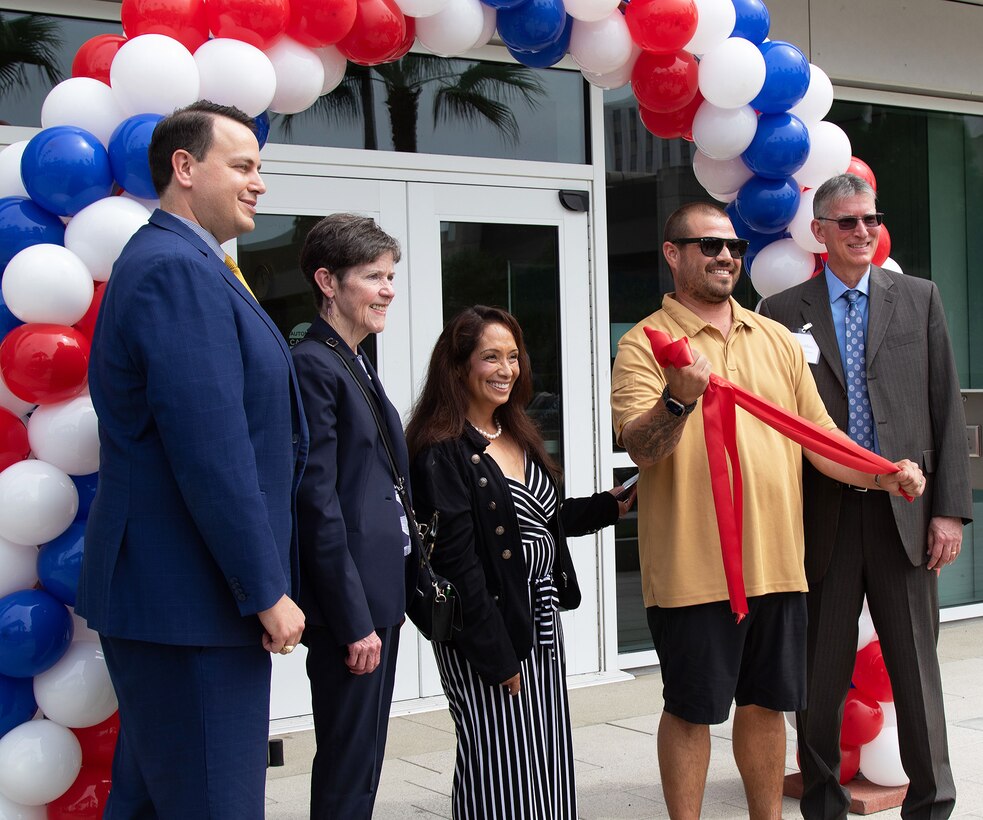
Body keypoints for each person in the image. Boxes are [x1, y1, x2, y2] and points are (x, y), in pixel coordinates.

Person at [609, 202, 924, 819]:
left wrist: (886, 475)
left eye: (733, 247)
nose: (725, 256)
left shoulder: (776, 339)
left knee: (767, 706)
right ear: (673, 254)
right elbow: (640, 448)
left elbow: (821, 439)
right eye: (708, 246)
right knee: (692, 709)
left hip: (778, 567)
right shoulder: (644, 343)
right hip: (692, 573)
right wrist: (678, 401)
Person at [77, 101, 308, 817]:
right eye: (241, 166)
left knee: (151, 804)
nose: (258, 183)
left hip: (181, 604)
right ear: (184, 168)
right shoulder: (174, 270)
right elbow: (210, 448)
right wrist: (263, 589)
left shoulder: (186, 264)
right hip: (191, 605)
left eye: (258, 168)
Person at [759, 173, 972, 819]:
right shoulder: (780, 313)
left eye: (869, 220)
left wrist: (947, 511)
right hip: (821, 519)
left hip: (904, 517)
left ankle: (931, 805)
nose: (861, 231)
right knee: (817, 685)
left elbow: (944, 407)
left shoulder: (918, 298)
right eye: (846, 222)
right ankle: (821, 805)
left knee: (916, 681)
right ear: (818, 233)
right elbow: (773, 429)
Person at [405, 305, 636, 819]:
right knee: (499, 766)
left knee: (545, 763)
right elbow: (458, 567)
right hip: (487, 631)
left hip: (540, 623)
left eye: (513, 356)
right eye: (490, 357)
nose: (506, 369)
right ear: (459, 366)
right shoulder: (441, 451)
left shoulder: (517, 432)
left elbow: (537, 517)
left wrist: (608, 505)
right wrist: (496, 657)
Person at [292, 213, 412, 818]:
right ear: (328, 282)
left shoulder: (356, 360)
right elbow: (318, 504)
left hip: (377, 596)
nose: (389, 288)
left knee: (363, 755)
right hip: (353, 608)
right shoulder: (316, 364)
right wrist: (352, 619)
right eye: (373, 276)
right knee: (348, 758)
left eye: (390, 275)